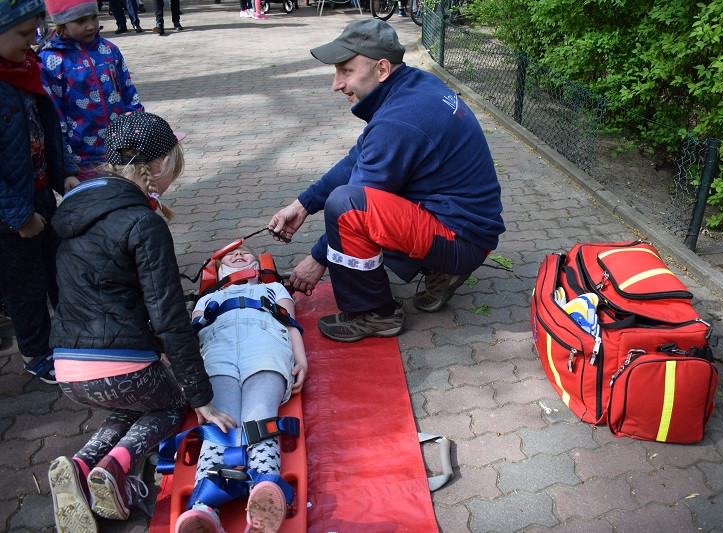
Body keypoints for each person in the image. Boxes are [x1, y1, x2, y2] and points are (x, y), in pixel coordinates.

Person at [46, 111, 235, 532]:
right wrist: (200, 395)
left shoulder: (75, 213)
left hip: (68, 371)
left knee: (130, 400)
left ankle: (80, 465)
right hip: (118, 366)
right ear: (162, 164)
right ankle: (117, 468)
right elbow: (169, 317)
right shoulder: (144, 223)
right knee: (169, 400)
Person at [269, 19, 505, 343]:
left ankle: (376, 315)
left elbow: (356, 202)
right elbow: (359, 158)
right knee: (361, 196)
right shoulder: (415, 84)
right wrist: (303, 204)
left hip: (462, 237)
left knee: (347, 206)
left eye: (346, 71)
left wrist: (317, 259)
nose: (336, 84)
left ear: (381, 69)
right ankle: (443, 270)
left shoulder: (398, 122)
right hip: (466, 225)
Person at [174, 245, 308, 532]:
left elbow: (291, 325)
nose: (238, 256)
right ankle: (204, 508)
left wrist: (302, 361)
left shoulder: (273, 290)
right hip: (218, 353)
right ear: (219, 271)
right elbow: (193, 336)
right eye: (228, 257)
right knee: (220, 422)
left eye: (246, 254)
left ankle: (264, 484)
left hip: (266, 349)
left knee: (259, 416)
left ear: (258, 267)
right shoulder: (208, 297)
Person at [0, 0, 78, 384]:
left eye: (35, 31)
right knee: (25, 284)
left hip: (40, 192)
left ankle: (72, 334)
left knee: (57, 268)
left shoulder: (24, 69)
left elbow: (47, 129)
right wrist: (17, 216)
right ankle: (35, 350)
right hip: (11, 214)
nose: (33, 41)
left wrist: (65, 172)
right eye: (23, 34)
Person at [38, 0, 144, 186]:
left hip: (122, 149)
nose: (91, 26)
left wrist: (136, 132)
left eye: (94, 17)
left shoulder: (109, 50)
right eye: (80, 21)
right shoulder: (51, 60)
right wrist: (66, 165)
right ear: (62, 22)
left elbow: (128, 93)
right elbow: (54, 117)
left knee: (129, 202)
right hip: (83, 158)